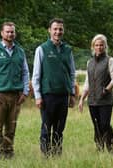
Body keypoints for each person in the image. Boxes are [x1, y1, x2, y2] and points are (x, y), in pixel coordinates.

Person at [0, 22, 29, 159]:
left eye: (12, 32)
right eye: (7, 32)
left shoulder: (20, 52)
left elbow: (25, 73)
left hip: (15, 96)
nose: (10, 34)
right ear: (2, 33)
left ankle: (8, 151)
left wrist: (25, 92)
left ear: (15, 33)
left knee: (11, 127)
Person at [32, 18, 76, 157]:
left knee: (59, 128)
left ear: (63, 31)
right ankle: (46, 156)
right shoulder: (42, 49)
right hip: (47, 95)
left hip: (63, 95)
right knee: (46, 127)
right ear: (49, 30)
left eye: (60, 29)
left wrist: (72, 94)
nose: (58, 32)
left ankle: (57, 154)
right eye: (55, 29)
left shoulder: (68, 50)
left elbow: (72, 73)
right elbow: (36, 75)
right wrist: (38, 96)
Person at [78, 34, 113, 153]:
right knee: (96, 126)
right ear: (93, 47)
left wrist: (106, 89)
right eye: (96, 45)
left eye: (101, 45)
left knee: (105, 124)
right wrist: (81, 100)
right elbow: (87, 83)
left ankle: (110, 148)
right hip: (92, 101)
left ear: (105, 46)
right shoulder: (89, 62)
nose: (99, 47)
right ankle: (99, 149)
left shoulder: (110, 61)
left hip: (105, 101)